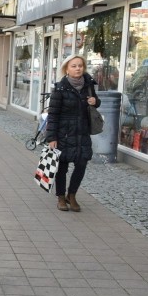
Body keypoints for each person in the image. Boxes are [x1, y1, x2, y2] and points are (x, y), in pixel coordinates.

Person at [45, 54, 99, 212]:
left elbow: (96, 101)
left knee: (82, 163)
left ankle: (72, 195)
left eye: (80, 66)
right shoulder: (60, 88)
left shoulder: (88, 84)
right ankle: (61, 197)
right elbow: (53, 115)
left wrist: (95, 101)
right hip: (64, 132)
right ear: (67, 69)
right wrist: (52, 137)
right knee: (62, 166)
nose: (78, 69)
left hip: (82, 131)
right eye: (74, 66)